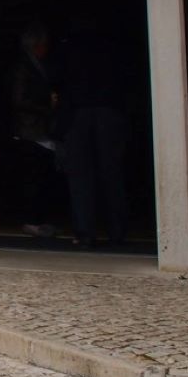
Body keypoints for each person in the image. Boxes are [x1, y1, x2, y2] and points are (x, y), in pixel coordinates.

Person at [54, 16, 130, 249]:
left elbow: (59, 80)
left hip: (78, 113)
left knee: (80, 178)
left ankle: (85, 233)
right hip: (109, 111)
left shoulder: (68, 48)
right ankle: (117, 232)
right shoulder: (114, 46)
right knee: (112, 175)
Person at [9, 22, 61, 238]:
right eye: (43, 44)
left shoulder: (37, 65)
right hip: (30, 130)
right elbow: (18, 100)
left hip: (39, 130)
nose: (46, 48)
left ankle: (39, 219)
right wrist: (48, 107)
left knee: (41, 176)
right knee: (34, 176)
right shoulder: (24, 67)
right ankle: (32, 220)